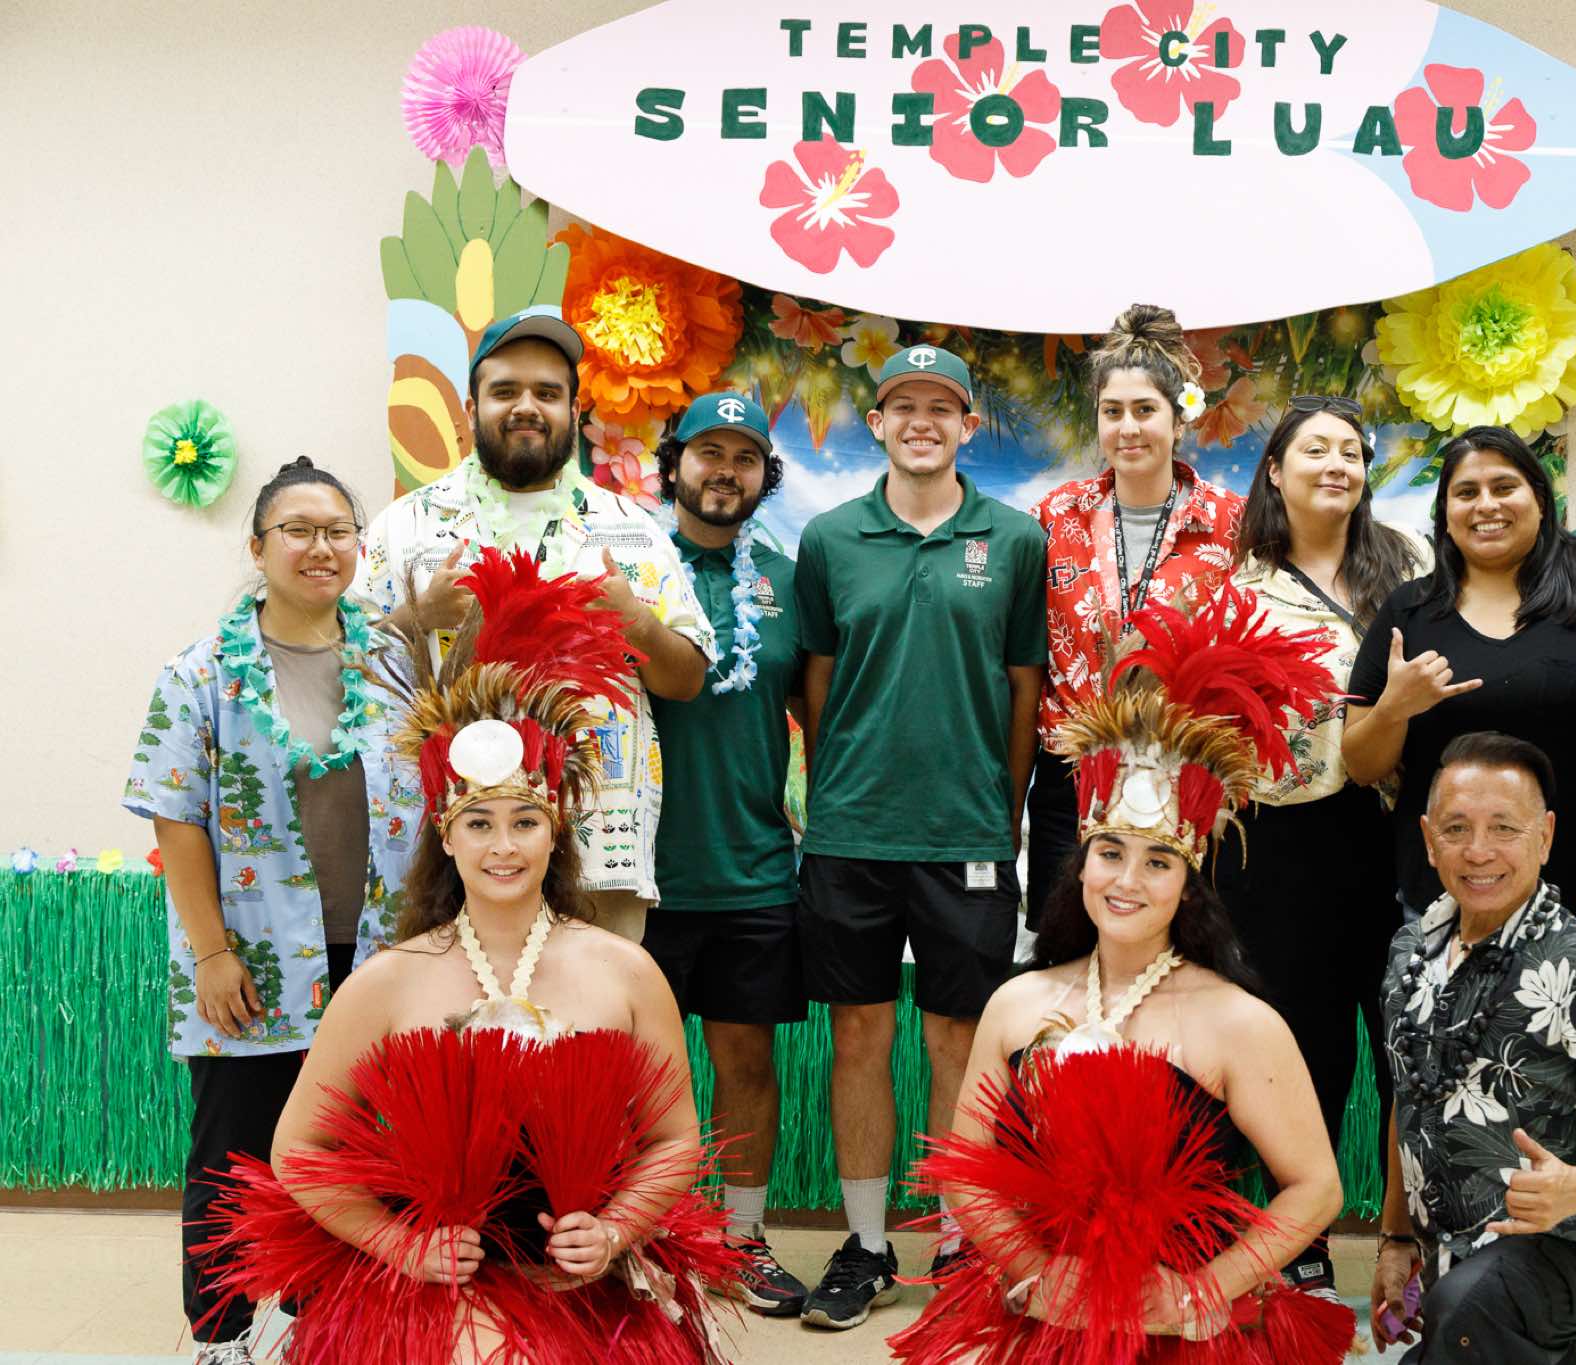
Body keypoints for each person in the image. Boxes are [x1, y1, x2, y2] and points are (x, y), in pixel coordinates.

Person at [198, 548, 734, 1363]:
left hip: (580, 1286)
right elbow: (299, 1153)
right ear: (445, 836)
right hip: (430, 1287)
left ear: (556, 829)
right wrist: (401, 1245)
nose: (503, 846)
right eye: (479, 824)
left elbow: (673, 1141)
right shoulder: (387, 982)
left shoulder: (625, 971)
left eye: (524, 821)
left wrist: (615, 1229)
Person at [889, 582, 1353, 1363]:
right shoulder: (1018, 1002)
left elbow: (1316, 1188)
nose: (1127, 881)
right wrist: (1037, 1273)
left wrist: (1204, 1288)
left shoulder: (1239, 1020)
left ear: (1190, 879)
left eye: (1158, 861)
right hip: (1047, 1319)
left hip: (1183, 1330)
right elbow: (968, 1175)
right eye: (1110, 853)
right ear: (1081, 860)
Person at [122, 458, 419, 1365]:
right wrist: (212, 953)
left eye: (338, 531)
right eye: (298, 530)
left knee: (348, 1151)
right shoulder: (202, 671)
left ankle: (318, 1326)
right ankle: (221, 1335)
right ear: (258, 548)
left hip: (376, 952)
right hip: (251, 953)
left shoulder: (393, 660)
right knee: (234, 1153)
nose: (320, 547)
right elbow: (176, 816)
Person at [793, 342, 1048, 1328]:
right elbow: (817, 685)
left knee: (958, 1040)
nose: (921, 423)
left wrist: (999, 809)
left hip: (967, 834)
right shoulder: (829, 539)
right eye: (902, 405)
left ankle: (954, 1243)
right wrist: (844, 791)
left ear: (967, 426)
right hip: (851, 833)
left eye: (941, 407)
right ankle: (864, 1246)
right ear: (877, 423)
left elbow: (1023, 690)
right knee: (858, 1034)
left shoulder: (1014, 541)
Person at [355, 305, 715, 941]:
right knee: (449, 1003)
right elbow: (342, 664)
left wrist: (635, 622)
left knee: (594, 1005)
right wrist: (419, 616)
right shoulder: (406, 527)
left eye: (547, 393)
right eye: (505, 391)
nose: (527, 406)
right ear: (472, 410)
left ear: (573, 412)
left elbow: (686, 682)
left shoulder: (631, 530)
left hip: (599, 854)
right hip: (448, 850)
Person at [1371, 732, 1576, 1365]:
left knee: (1466, 1315)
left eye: (1504, 828)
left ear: (1545, 836)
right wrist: (1395, 1240)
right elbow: (1410, 1096)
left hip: (1570, 1240)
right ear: (1428, 839)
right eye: (1457, 828)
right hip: (1450, 1257)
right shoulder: (1409, 955)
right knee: (1462, 1318)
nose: (1478, 851)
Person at [1214, 393, 1429, 1294]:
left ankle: (1412, 1239)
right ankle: (1298, 1244)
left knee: (1408, 1039)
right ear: (1274, 470)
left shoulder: (1412, 568)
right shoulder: (1230, 584)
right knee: (1301, 1045)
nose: (1338, 464)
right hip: (1277, 841)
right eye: (1316, 449)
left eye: (1352, 450)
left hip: (1399, 830)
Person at [1341, 426, 1576, 917]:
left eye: (1504, 487)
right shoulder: (1411, 611)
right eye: (1467, 493)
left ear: (1540, 499)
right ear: (1445, 513)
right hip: (1450, 898)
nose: (1486, 505)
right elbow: (1362, 767)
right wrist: (1394, 709)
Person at [643, 390, 811, 1315]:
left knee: (746, 1065)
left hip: (754, 872)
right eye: (709, 452)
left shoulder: (787, 580)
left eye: (745, 458)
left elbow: (821, 721)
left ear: (763, 476)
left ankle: (741, 1240)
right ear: (674, 463)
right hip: (639, 881)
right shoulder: (630, 568)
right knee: (634, 1074)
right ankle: (642, 1241)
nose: (725, 472)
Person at [1028, 303, 1243, 929]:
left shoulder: (1231, 521)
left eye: (1145, 410)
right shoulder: (1056, 515)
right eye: (1112, 411)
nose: (1128, 428)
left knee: (1179, 950)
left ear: (1179, 418)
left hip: (1183, 773)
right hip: (1070, 776)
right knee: (1065, 949)